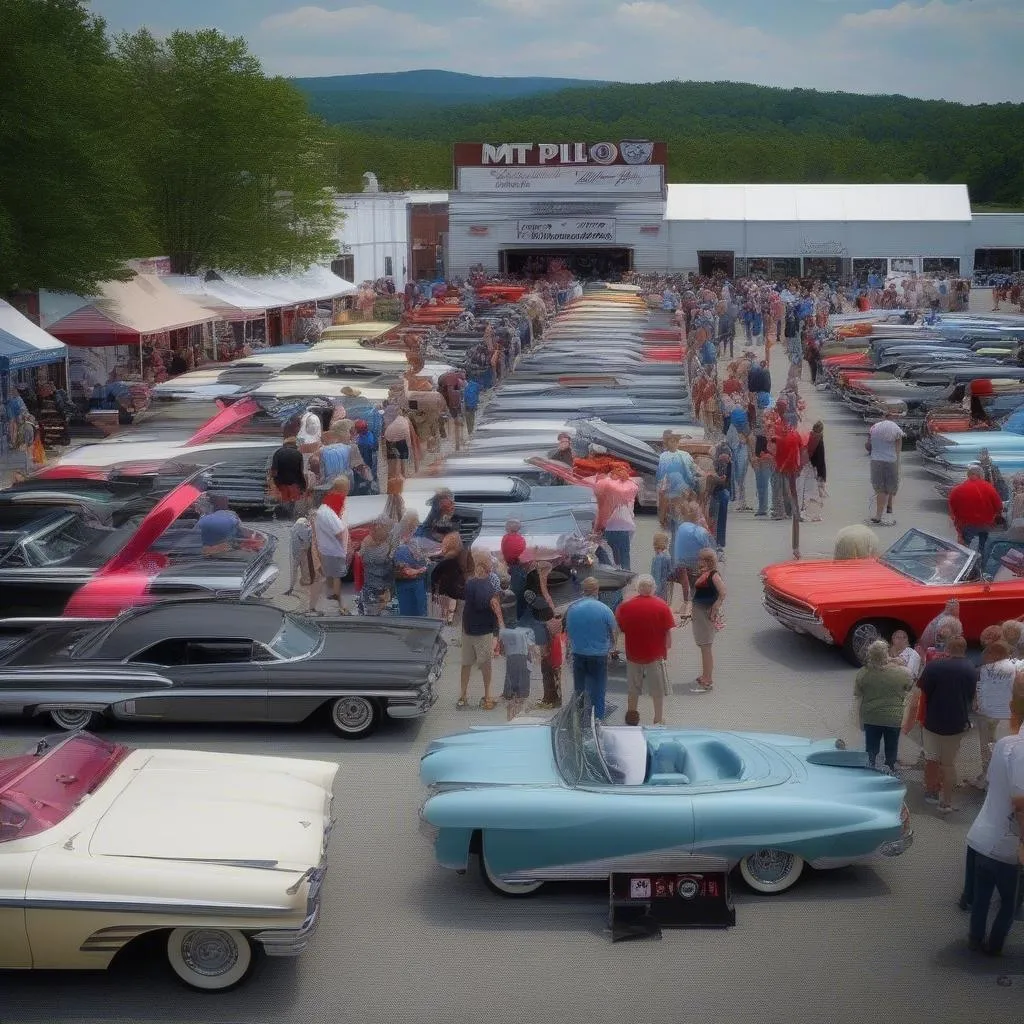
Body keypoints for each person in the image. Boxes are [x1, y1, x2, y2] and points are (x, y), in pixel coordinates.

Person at [958, 721, 1024, 956]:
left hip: (981, 836)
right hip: (1005, 846)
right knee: (1009, 901)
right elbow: (1020, 805)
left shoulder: (1005, 744)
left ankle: (975, 939)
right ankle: (994, 945)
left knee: (983, 895)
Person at [915, 636, 978, 814]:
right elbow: (971, 695)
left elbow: (924, 689)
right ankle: (947, 801)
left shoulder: (935, 666)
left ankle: (931, 792)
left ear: (948, 649)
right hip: (956, 723)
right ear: (964, 649)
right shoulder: (970, 668)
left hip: (933, 721)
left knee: (931, 759)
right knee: (948, 764)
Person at [616, 575, 675, 727]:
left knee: (633, 688)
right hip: (654, 654)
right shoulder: (662, 606)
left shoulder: (626, 606)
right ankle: (658, 718)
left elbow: (621, 628)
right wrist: (666, 648)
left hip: (634, 653)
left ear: (638, 588)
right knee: (657, 689)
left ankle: (632, 716)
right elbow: (668, 631)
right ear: (653, 588)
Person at [564, 576, 618, 721]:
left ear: (583, 591)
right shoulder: (605, 610)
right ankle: (598, 719)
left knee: (579, 690)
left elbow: (568, 633)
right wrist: (612, 647)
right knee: (598, 690)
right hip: (598, 655)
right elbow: (614, 633)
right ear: (597, 590)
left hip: (578, 653)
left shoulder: (572, 610)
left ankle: (579, 718)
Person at [854, 639, 913, 772]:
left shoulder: (863, 673)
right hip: (893, 717)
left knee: (871, 746)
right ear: (886, 653)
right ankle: (890, 767)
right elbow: (909, 685)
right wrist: (896, 663)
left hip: (871, 716)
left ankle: (871, 766)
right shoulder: (901, 672)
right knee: (891, 745)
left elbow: (858, 694)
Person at [458, 554, 505, 710]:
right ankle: (487, 696)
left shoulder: (471, 584)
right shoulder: (490, 586)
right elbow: (493, 607)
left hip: (469, 630)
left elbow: (473, 604)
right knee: (485, 665)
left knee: (467, 664)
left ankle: (463, 696)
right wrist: (498, 631)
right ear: (488, 569)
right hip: (483, 631)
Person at [970, 638, 1016, 789]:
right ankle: (1001, 780)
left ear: (993, 654)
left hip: (985, 714)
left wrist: (976, 704)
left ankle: (986, 778)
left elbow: (979, 690)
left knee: (985, 748)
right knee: (1003, 748)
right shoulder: (1015, 667)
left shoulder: (983, 669)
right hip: (1006, 715)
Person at [691, 548, 726, 693]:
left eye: (700, 559)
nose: (698, 561)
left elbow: (723, 592)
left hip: (705, 613)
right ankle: (705, 675)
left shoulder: (713, 575)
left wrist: (716, 606)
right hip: (700, 612)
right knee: (704, 646)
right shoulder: (706, 573)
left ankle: (707, 679)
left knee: (706, 647)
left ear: (707, 561)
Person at [948, 463, 1004, 550]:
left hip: (966, 524)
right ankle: (982, 554)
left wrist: (958, 528)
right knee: (984, 543)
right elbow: (999, 505)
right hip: (986, 523)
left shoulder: (957, 490)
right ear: (981, 475)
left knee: (965, 547)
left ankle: (964, 555)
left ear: (968, 475)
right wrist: (997, 515)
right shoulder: (988, 487)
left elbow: (953, 510)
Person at [671, 507, 715, 618]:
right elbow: (709, 547)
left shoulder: (681, 527)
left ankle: (686, 603)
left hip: (680, 560)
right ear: (698, 517)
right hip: (695, 561)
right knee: (697, 582)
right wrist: (706, 527)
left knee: (686, 582)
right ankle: (696, 607)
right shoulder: (700, 531)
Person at [312, 490, 349, 613]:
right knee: (336, 575)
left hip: (325, 549)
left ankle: (330, 595)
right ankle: (336, 597)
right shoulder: (328, 512)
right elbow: (339, 532)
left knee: (329, 574)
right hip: (334, 550)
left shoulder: (320, 512)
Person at [595, 466, 639, 570]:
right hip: (624, 526)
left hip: (609, 526)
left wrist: (597, 527)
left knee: (608, 550)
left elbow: (601, 509)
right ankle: (626, 574)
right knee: (624, 553)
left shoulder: (606, 486)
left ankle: (612, 570)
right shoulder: (628, 487)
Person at [867, 409, 905, 526]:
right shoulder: (895, 428)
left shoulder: (874, 427)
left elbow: (868, 445)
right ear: (893, 417)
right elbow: (898, 447)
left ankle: (878, 515)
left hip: (876, 460)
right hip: (890, 461)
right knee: (891, 489)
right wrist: (898, 463)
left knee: (880, 489)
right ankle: (889, 515)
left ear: (883, 417)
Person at [498, 621, 536, 721]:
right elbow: (530, 646)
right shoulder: (527, 630)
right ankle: (519, 715)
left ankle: (510, 717)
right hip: (523, 657)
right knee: (522, 694)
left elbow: (501, 648)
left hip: (511, 658)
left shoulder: (504, 631)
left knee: (511, 691)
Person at [393, 515, 429, 616]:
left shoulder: (411, 543)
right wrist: (421, 569)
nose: (414, 532)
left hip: (414, 584)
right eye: (413, 530)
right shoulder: (401, 549)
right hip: (410, 585)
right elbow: (407, 571)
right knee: (414, 614)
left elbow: (421, 556)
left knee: (412, 613)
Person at [358, 519, 395, 616]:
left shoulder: (366, 542)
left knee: (370, 615)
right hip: (380, 588)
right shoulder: (385, 546)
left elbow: (361, 557)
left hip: (371, 587)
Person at [270, 434, 306, 518]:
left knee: (284, 501)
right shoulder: (298, 454)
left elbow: (274, 471)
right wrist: (303, 484)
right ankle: (291, 517)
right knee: (294, 502)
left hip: (281, 483)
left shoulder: (278, 453)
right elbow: (301, 471)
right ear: (294, 445)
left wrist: (274, 482)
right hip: (295, 483)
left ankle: (283, 516)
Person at [651, 530, 672, 603]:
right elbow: (670, 572)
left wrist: (654, 591)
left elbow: (657, 575)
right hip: (665, 587)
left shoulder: (658, 558)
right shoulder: (667, 555)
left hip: (658, 589)